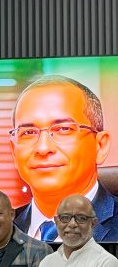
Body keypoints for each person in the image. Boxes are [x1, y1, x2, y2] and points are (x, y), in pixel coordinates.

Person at [9, 75, 118, 241]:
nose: (43, 148)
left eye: (63, 129)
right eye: (29, 132)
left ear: (100, 146)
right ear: (14, 152)